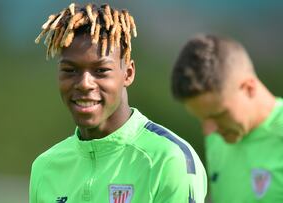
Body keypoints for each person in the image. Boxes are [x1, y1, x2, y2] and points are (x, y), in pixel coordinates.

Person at [30, 3, 207, 203]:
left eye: (101, 71)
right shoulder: (45, 167)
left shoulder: (168, 159)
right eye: (70, 70)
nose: (84, 84)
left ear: (128, 73)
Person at [171, 34, 283, 202]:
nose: (209, 128)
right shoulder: (219, 135)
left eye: (218, 115)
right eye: (202, 118)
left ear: (248, 88)